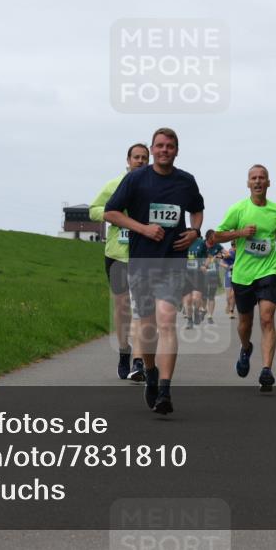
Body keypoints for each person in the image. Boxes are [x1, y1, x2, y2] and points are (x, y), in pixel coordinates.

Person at [104, 128, 204, 414]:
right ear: (152, 149)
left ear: (177, 150)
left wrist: (194, 231)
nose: (164, 150)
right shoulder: (136, 179)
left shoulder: (186, 181)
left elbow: (197, 209)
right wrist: (143, 228)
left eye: (169, 146)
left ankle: (165, 390)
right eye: (159, 146)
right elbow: (111, 212)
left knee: (167, 319)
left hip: (173, 261)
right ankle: (150, 372)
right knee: (147, 327)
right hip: (142, 261)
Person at [209, 164, 276, 392]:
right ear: (248, 183)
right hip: (243, 274)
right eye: (253, 178)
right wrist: (240, 233)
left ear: (268, 183)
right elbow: (216, 236)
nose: (257, 181)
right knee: (245, 323)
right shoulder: (238, 209)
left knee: (267, 318)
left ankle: (266, 370)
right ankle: (246, 348)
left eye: (261, 178)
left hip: (268, 270)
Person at [90, 143, 149, 381]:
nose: (140, 161)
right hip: (117, 254)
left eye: (144, 157)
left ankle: (138, 361)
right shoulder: (114, 185)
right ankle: (124, 351)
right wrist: (114, 215)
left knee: (142, 308)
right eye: (136, 157)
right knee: (123, 308)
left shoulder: (153, 186)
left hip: (144, 254)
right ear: (128, 160)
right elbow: (94, 210)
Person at [200, 230, 224, 325]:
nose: (213, 240)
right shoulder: (201, 245)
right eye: (212, 238)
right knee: (203, 295)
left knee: (211, 295)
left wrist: (218, 257)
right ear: (207, 238)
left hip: (213, 274)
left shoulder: (217, 246)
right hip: (202, 274)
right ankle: (203, 309)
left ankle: (210, 316)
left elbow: (227, 254)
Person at [219, 244, 236, 317]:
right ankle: (228, 304)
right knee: (228, 296)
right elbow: (221, 262)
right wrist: (227, 266)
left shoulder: (240, 254)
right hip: (228, 276)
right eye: (233, 246)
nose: (234, 248)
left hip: (237, 276)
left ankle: (232, 311)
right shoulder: (229, 253)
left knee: (233, 295)